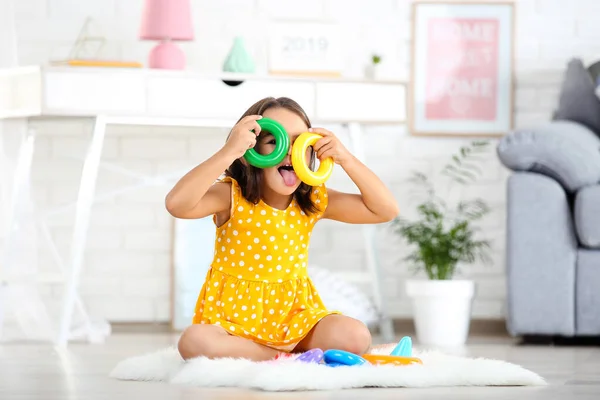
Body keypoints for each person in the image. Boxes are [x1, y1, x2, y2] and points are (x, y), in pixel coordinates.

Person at [165, 97, 399, 362]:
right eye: (275, 141)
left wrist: (346, 159)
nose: (289, 152)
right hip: (233, 323)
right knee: (194, 341)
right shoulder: (231, 195)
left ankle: (280, 353)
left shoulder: (312, 200)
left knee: (355, 335)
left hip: (294, 320)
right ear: (250, 151)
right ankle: (286, 357)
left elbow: (385, 210)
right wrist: (229, 151)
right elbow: (177, 205)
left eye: (300, 143)